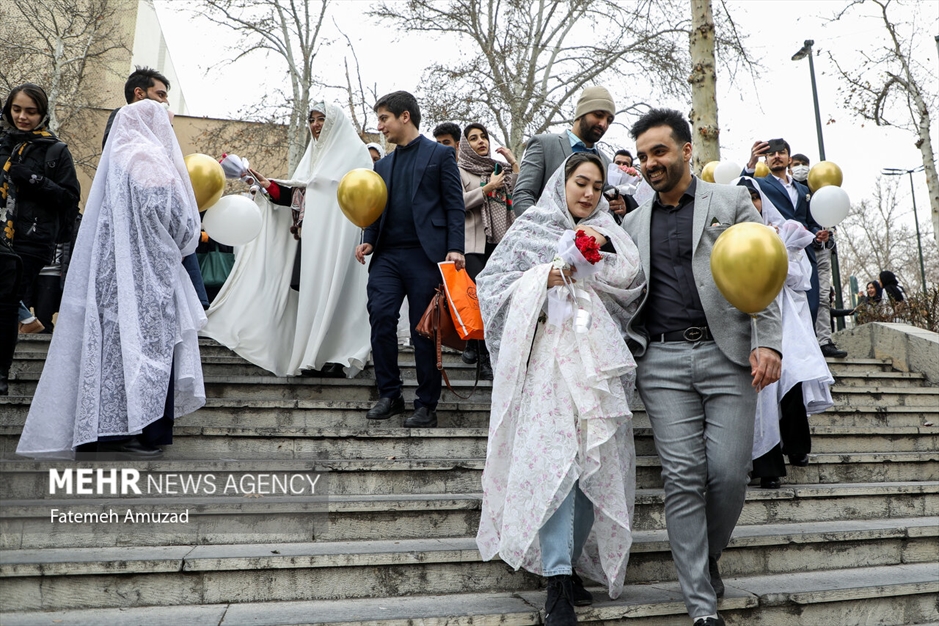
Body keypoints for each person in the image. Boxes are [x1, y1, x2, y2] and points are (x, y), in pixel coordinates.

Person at [623, 109, 782, 626]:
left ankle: (706, 556)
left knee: (729, 474)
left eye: (659, 152)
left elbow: (763, 268)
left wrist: (769, 342)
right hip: (662, 361)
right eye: (644, 156)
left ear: (687, 150)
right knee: (683, 476)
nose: (650, 163)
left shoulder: (732, 200)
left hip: (729, 354)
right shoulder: (631, 221)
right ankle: (701, 604)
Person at [476, 152, 645, 625]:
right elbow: (491, 286)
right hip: (548, 365)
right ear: (562, 182)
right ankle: (556, 581)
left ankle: (569, 566)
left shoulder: (613, 236)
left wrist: (597, 258)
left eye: (596, 186)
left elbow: (631, 285)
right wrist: (542, 277)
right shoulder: (531, 227)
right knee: (557, 464)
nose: (588, 194)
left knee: (595, 467)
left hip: (598, 368)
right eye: (580, 183)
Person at [16, 100, 205, 459]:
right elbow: (175, 217)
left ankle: (100, 431)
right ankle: (141, 431)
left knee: (108, 351)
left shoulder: (117, 157)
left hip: (108, 275)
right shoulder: (149, 158)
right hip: (146, 276)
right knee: (147, 350)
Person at [202, 102, 373, 378]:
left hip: (339, 247)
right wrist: (266, 184)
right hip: (310, 245)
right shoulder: (312, 159)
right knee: (310, 298)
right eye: (312, 119)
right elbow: (296, 198)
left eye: (322, 120)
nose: (316, 125)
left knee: (336, 297)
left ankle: (335, 355)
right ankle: (312, 355)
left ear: (335, 124)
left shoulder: (357, 155)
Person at [355, 91, 465, 428]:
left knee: (424, 332)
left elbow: (454, 203)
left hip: (425, 256)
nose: (380, 126)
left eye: (384, 118)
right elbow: (374, 207)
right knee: (381, 318)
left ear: (405, 116)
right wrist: (368, 240)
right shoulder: (382, 165)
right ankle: (390, 394)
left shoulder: (440, 154)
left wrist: (455, 246)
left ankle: (426, 405)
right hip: (387, 256)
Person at [736, 177, 833, 490]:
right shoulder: (730, 238)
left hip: (784, 320)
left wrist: (778, 250)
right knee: (757, 389)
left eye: (755, 198)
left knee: (789, 380)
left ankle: (797, 446)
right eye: (744, 199)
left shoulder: (785, 233)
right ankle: (767, 464)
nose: (751, 205)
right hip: (744, 321)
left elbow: (800, 279)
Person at [0, 83, 80, 396]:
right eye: (17, 110)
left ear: (42, 114)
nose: (22, 117)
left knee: (6, 304)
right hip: (1, 235)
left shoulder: (54, 150)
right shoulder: (2, 143)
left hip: (31, 241)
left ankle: (2, 373)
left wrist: (34, 180)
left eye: (30, 112)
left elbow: (69, 199)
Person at [457, 122, 519, 380]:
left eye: (484, 137)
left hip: (500, 244)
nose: (481, 141)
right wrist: (486, 189)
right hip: (473, 245)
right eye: (473, 138)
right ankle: (483, 358)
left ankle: (482, 350)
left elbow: (518, 194)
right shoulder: (458, 170)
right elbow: (455, 203)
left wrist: (514, 165)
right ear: (465, 144)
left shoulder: (499, 169)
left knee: (496, 300)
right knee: (479, 300)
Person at [744, 139, 825, 325]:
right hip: (775, 252)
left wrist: (818, 236)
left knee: (811, 303)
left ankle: (809, 347)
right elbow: (739, 187)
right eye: (771, 154)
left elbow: (810, 222)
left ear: (789, 159)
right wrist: (750, 163)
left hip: (804, 255)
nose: (777, 157)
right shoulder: (759, 184)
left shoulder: (804, 189)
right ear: (766, 161)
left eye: (781, 153)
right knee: (780, 306)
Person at [514, 86, 626, 218]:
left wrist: (619, 209)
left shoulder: (607, 163)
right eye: (599, 115)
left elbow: (606, 212)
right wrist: (543, 231)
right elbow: (523, 195)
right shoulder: (544, 145)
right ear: (581, 113)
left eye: (609, 120)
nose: (603, 124)